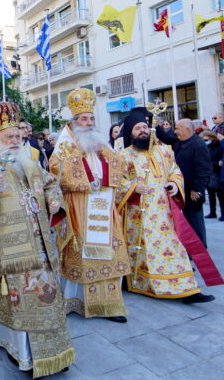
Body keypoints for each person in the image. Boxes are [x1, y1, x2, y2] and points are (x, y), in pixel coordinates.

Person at [0, 101, 76, 377]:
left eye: (17, 135)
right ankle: (23, 354)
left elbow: (49, 183)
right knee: (21, 301)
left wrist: (52, 200)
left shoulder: (30, 161)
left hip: (39, 246)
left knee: (47, 298)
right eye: (8, 137)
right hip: (10, 250)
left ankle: (55, 352)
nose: (15, 140)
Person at [49, 89, 130, 322]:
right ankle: (78, 302)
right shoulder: (66, 143)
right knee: (85, 253)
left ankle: (110, 305)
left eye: (91, 118)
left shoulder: (100, 141)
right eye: (84, 119)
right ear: (73, 122)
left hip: (103, 205)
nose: (89, 123)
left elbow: (119, 164)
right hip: (80, 205)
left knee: (108, 251)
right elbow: (56, 170)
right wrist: (79, 155)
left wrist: (103, 155)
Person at [118, 109, 215, 303]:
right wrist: (134, 187)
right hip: (139, 216)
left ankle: (189, 289)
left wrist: (174, 184)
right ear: (130, 132)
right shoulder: (123, 156)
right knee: (147, 253)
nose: (143, 131)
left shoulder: (164, 150)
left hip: (165, 213)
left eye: (145, 127)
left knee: (176, 248)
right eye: (138, 128)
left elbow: (174, 171)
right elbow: (118, 181)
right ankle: (143, 283)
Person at [157, 119, 212, 245]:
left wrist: (198, 189)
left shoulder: (198, 145)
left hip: (192, 190)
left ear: (187, 129)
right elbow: (166, 138)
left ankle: (199, 249)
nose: (175, 132)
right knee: (187, 221)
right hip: (182, 188)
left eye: (177, 128)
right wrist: (155, 124)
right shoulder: (179, 142)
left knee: (195, 221)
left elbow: (204, 170)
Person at [200, 131, 224, 221]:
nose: (205, 141)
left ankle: (223, 214)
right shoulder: (207, 146)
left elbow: (221, 160)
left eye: (206, 140)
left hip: (217, 172)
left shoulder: (219, 147)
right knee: (211, 194)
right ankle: (212, 212)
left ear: (212, 138)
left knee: (220, 194)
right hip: (208, 172)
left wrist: (210, 164)